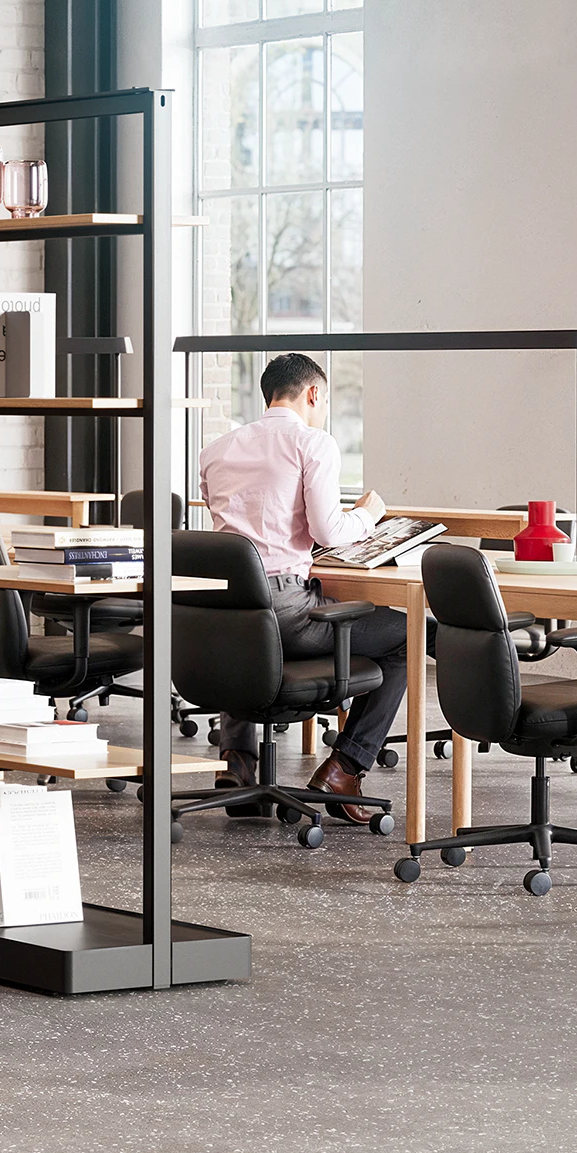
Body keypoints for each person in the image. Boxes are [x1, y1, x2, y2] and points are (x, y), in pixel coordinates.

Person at [196, 352, 408, 821]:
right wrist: (368, 515)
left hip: (222, 612)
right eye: (325, 400)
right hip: (288, 610)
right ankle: (346, 766)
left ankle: (236, 762)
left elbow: (236, 538)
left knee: (246, 628)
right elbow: (329, 531)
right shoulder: (313, 443)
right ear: (313, 394)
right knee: (408, 636)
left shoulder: (216, 450)